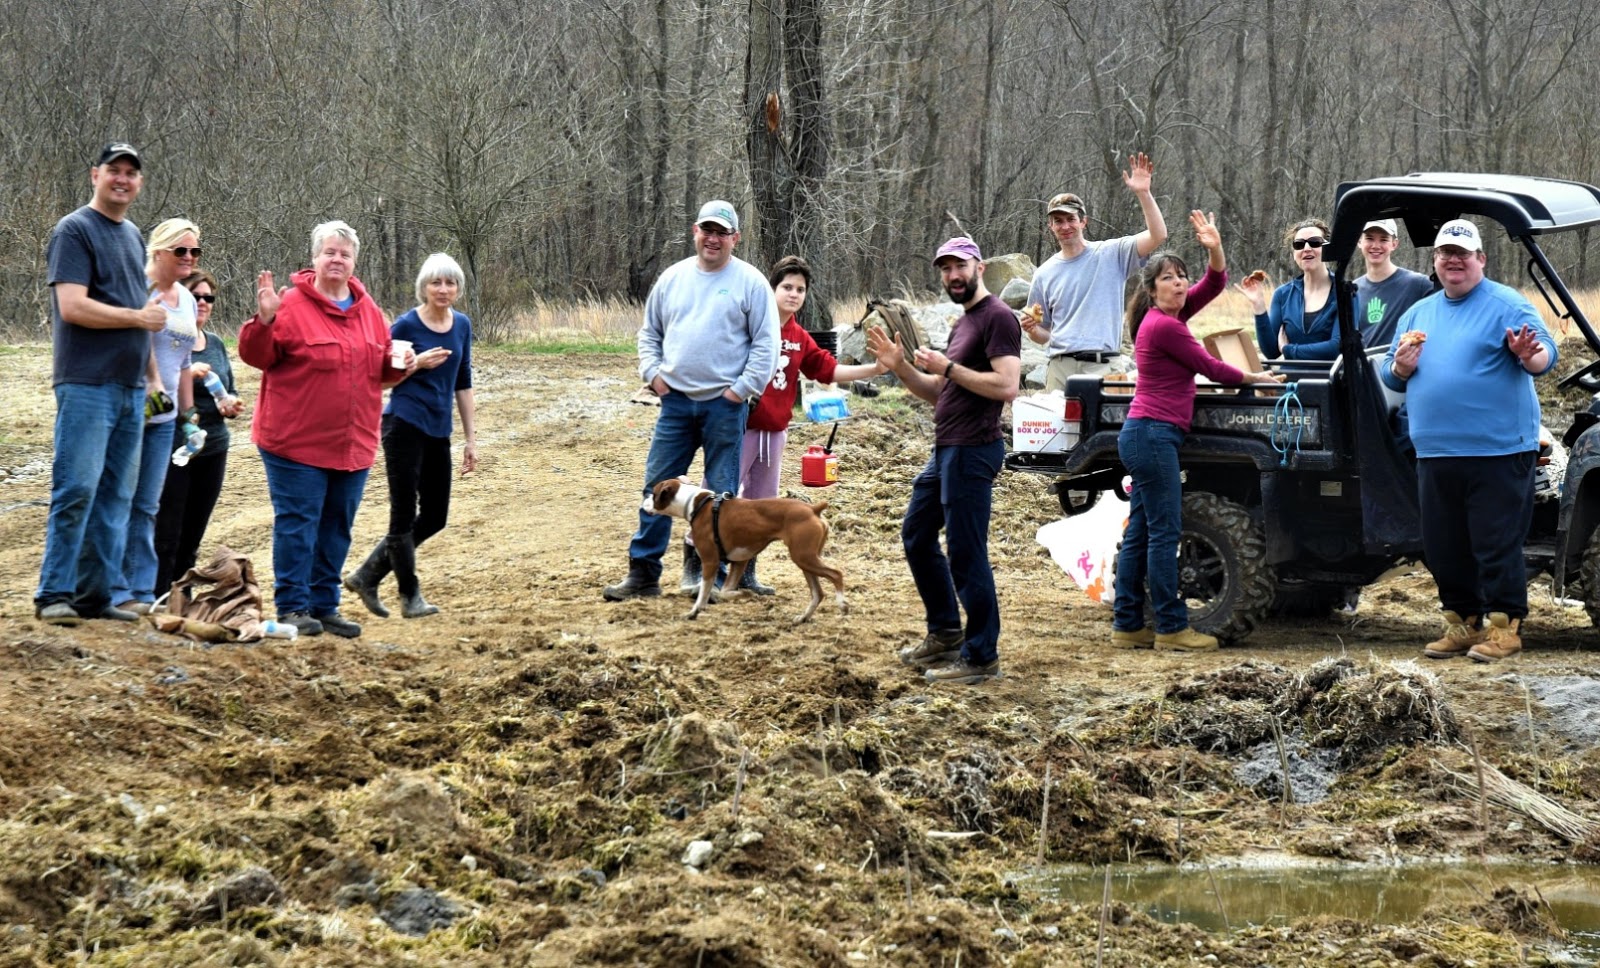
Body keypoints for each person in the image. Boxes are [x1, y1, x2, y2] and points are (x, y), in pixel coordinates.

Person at [1381, 218, 1557, 663]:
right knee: (1445, 545)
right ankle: (1461, 624)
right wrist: (1401, 366)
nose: (1453, 260)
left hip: (1499, 450)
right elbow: (1390, 374)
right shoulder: (1418, 313)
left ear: (1481, 259)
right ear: (1435, 260)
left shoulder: (1506, 304)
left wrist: (1528, 355)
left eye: (1463, 253)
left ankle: (1504, 628)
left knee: (1495, 542)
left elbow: (1544, 355)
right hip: (1435, 452)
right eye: (1446, 253)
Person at [1110, 212, 1283, 652]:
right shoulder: (1165, 326)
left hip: (1146, 435)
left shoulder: (1169, 315)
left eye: (1182, 276)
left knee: (1141, 531)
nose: (1180, 283)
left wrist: (1214, 247)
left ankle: (1128, 624)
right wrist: (1256, 377)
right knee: (1164, 533)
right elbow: (1212, 367)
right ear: (1152, 290)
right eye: (1168, 278)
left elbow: (1215, 281)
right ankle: (1171, 627)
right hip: (1153, 436)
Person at [238, 221, 412, 638]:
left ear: (354, 262)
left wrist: (402, 366)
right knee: (299, 523)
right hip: (294, 443)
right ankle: (293, 606)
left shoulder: (370, 312)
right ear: (314, 258)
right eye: (329, 252)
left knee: (337, 526)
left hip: (353, 442)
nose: (337, 259)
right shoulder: (291, 304)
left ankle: (324, 605)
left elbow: (379, 374)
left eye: (344, 254)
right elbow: (256, 356)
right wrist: (264, 320)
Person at [602, 200, 780, 600]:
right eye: (707, 230)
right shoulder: (672, 278)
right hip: (676, 403)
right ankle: (643, 574)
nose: (713, 239)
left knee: (720, 497)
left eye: (722, 233)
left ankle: (711, 578)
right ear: (695, 232)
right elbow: (649, 334)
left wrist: (740, 390)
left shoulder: (751, 283)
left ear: (735, 238)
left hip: (725, 406)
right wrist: (653, 375)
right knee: (656, 488)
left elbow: (766, 345)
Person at [866, 237, 1020, 685]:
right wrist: (901, 366)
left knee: (967, 552)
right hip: (946, 449)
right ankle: (947, 632)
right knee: (917, 534)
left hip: (973, 449)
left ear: (980, 267)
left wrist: (947, 367)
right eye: (946, 268)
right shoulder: (965, 322)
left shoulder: (998, 317)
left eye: (960, 266)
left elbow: (1007, 386)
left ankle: (981, 656)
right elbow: (940, 392)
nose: (953, 275)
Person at [33, 142, 169, 626]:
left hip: (130, 388)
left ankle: (94, 597)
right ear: (96, 175)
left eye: (131, 173)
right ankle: (54, 594)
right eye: (114, 170)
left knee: (117, 497)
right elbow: (73, 307)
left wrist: (151, 378)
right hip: (87, 384)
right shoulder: (74, 230)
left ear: (139, 183)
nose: (122, 179)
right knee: (77, 490)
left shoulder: (131, 235)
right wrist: (138, 318)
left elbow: (142, 314)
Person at [706, 254, 887, 596]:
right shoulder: (748, 325)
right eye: (786, 287)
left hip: (774, 432)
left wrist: (875, 369)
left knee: (763, 506)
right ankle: (705, 572)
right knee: (720, 496)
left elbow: (828, 370)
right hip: (739, 428)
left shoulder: (799, 337)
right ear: (771, 289)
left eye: (800, 289)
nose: (793, 294)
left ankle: (746, 573)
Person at [344, 253, 477, 619]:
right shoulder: (405, 325)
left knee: (434, 516)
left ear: (458, 288)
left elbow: (463, 382)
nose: (443, 289)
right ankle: (410, 595)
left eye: (450, 283)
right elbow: (380, 378)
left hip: (438, 428)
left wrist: (471, 439)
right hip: (403, 424)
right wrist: (416, 363)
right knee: (403, 513)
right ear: (423, 287)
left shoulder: (462, 325)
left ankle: (367, 575)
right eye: (436, 282)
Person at [111, 218, 202, 613]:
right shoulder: (139, 287)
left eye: (194, 251)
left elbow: (183, 363)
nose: (189, 257)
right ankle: (115, 589)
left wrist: (189, 415)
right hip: (131, 408)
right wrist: (151, 383)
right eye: (181, 250)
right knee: (120, 499)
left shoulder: (186, 299)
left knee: (148, 505)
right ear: (159, 251)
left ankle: (142, 592)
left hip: (165, 418)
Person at [1022, 153, 1168, 391]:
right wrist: (1031, 329)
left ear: (1083, 221)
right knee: (1057, 418)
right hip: (1060, 368)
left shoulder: (1112, 253)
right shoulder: (1043, 274)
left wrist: (1144, 193)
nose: (1065, 226)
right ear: (1051, 226)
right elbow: (1043, 334)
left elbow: (1158, 235)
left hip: (1104, 366)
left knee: (1109, 417)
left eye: (1070, 219)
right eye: (1058, 221)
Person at [153, 269, 244, 597]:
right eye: (196, 296)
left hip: (214, 447)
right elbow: (155, 389)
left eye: (209, 297)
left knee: (193, 533)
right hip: (174, 447)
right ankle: (157, 596)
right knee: (167, 532)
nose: (203, 303)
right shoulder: (167, 339)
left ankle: (182, 598)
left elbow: (228, 390)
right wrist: (186, 373)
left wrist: (231, 404)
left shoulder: (215, 343)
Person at [1240, 217, 1341, 361]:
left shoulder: (1344, 292)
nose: (1306, 248)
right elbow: (1271, 352)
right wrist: (1258, 306)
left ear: (1328, 248)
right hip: (1290, 374)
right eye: (1299, 244)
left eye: (1315, 242)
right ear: (1294, 254)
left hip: (1330, 374)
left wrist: (1289, 350)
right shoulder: (1283, 295)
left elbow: (1335, 348)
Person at [1354, 218, 1434, 350]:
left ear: (1394, 244)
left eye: (1383, 239)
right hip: (1364, 361)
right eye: (1369, 238)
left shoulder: (1418, 284)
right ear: (1359, 242)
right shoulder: (1353, 290)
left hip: (1400, 361)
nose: (1376, 245)